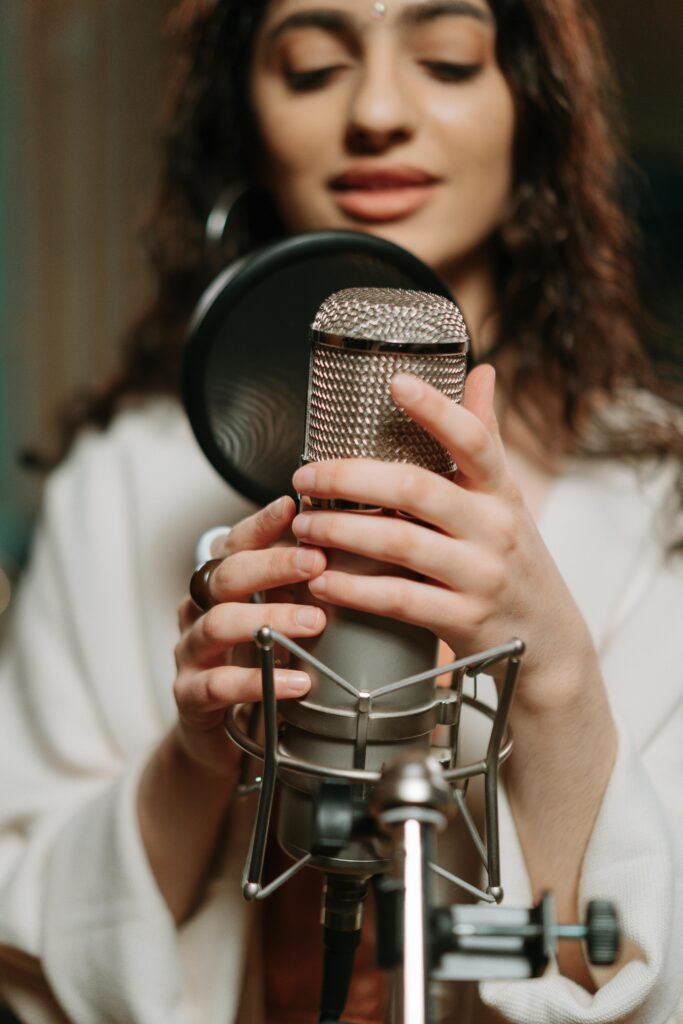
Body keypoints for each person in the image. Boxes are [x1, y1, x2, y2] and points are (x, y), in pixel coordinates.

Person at [0, 0, 681, 1021]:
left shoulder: (650, 497)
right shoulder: (121, 481)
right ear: (247, 117)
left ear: (528, 111)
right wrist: (193, 756)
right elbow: (26, 934)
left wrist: (554, 676)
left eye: (445, 61)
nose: (375, 110)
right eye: (314, 67)